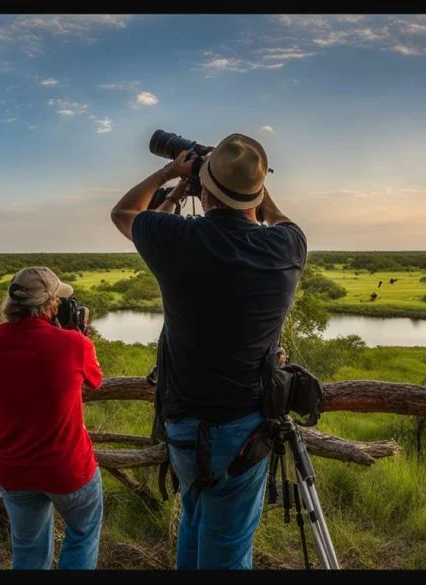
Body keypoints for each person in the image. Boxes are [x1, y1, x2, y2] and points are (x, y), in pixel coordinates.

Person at [110, 132, 307, 569]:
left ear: (208, 191)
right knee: (227, 542)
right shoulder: (286, 248)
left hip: (181, 420)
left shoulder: (177, 240)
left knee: (196, 522)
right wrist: (250, 185)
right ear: (255, 194)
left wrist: (175, 175)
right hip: (244, 427)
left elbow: (126, 213)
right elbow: (278, 218)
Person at [0, 267, 105, 570]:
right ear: (49, 306)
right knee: (83, 533)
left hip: (13, 468)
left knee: (28, 548)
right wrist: (78, 334)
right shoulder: (73, 345)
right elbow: (95, 380)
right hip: (68, 469)